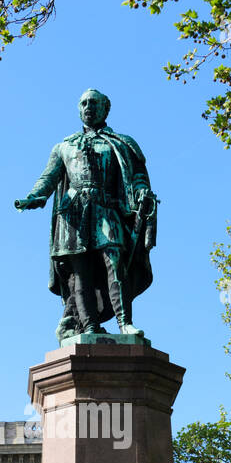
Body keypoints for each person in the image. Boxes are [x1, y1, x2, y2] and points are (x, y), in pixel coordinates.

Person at [15, 88, 156, 343]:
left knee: (115, 261)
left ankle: (125, 323)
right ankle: (89, 325)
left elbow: (137, 176)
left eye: (93, 103)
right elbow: (49, 177)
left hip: (107, 208)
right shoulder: (64, 145)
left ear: (105, 108)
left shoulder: (122, 143)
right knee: (80, 272)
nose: (88, 107)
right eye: (83, 103)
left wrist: (142, 190)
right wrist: (36, 196)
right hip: (74, 213)